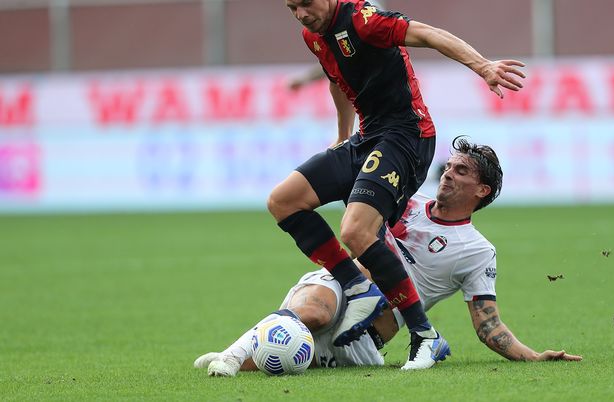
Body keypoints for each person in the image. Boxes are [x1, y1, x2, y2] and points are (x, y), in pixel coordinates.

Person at [268, 0, 527, 370]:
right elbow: (337, 80)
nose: (301, 14)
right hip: (369, 137)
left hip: (408, 136)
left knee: (356, 231)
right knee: (283, 201)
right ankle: (356, 286)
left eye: (306, 4)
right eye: (292, 8)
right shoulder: (313, 33)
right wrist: (343, 136)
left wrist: (483, 66)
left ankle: (424, 334)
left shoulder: (364, 20)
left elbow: (429, 34)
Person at [196, 137, 581, 376]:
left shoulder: (477, 251)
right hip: (342, 286)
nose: (447, 174)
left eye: (460, 171)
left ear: (481, 190)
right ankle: (231, 355)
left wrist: (531, 357)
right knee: (314, 313)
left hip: (365, 338)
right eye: (448, 166)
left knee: (279, 361)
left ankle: (247, 350)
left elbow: (487, 325)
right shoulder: (405, 202)